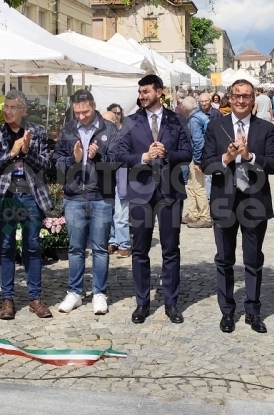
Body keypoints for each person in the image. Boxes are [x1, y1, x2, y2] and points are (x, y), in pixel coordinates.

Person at [202, 79, 274, 333]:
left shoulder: (265, 128)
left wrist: (249, 157)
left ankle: (253, 311)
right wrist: (227, 157)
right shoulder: (216, 126)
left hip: (254, 201)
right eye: (237, 96)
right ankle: (227, 311)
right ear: (230, 98)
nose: (241, 100)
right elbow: (206, 164)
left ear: (253, 99)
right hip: (224, 200)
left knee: (253, 259)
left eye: (246, 96)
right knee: (224, 259)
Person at [114, 73, 192, 324]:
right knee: (140, 250)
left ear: (159, 92)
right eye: (140, 92)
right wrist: (143, 158)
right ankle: (142, 302)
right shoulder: (131, 121)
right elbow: (119, 154)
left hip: (169, 191)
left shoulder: (176, 120)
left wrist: (167, 154)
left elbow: (188, 153)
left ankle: (171, 302)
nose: (141, 96)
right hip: (141, 192)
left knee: (171, 250)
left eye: (146, 91)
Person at [0, 90, 54, 319]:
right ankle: (7, 300)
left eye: (13, 107)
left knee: (32, 246)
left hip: (30, 197)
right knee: (6, 247)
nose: (8, 111)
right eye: (6, 107)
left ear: (24, 110)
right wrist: (12, 154)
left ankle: (35, 298)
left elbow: (45, 164)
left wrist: (26, 151)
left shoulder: (38, 132)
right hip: (6, 197)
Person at [54, 90, 120, 315]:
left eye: (86, 111)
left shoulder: (109, 129)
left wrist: (98, 156)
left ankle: (99, 293)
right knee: (75, 248)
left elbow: (118, 161)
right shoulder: (68, 130)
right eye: (78, 112)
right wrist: (74, 159)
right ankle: (74, 292)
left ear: (94, 105)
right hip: (74, 196)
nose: (81, 116)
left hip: (101, 196)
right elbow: (57, 163)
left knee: (100, 248)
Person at [103, 104, 131, 259]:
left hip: (121, 178)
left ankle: (124, 244)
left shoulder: (125, 135)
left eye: (118, 114)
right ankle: (113, 240)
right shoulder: (100, 136)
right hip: (106, 180)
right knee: (109, 212)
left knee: (121, 213)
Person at [185, 94, 212, 228]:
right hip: (198, 156)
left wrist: (197, 161)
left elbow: (198, 142)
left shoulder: (194, 120)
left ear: (186, 108)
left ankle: (204, 217)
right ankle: (193, 213)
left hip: (198, 158)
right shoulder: (201, 116)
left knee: (198, 187)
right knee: (192, 185)